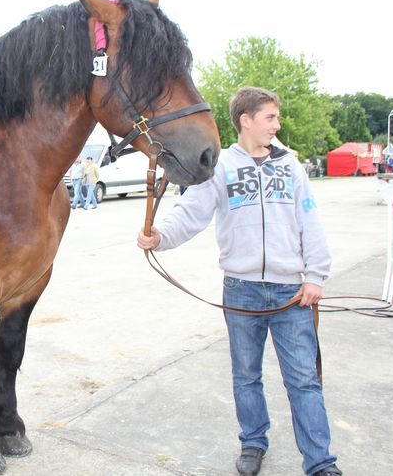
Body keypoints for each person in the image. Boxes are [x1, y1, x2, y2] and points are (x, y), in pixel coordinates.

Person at [136, 87, 341, 476]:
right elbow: (191, 213)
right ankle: (253, 442)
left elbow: (310, 222)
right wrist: (160, 236)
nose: (277, 125)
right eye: (270, 118)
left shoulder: (291, 168)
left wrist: (315, 276)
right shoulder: (221, 168)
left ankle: (320, 462)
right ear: (246, 120)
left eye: (276, 118)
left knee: (304, 382)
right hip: (241, 290)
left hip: (290, 293)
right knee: (246, 376)